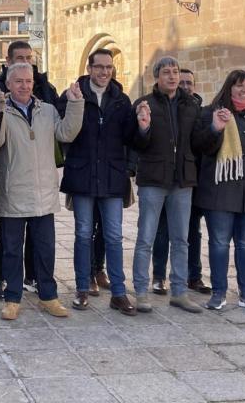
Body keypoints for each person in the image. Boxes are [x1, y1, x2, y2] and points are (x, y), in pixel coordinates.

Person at [0, 63, 84, 320]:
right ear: (8, 84)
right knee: (12, 249)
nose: (24, 85)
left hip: (44, 193)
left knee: (45, 248)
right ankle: (12, 299)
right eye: (18, 81)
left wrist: (75, 104)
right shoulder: (3, 110)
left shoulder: (49, 110)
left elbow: (66, 133)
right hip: (15, 191)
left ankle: (48, 296)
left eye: (28, 81)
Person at [58, 49, 141, 315]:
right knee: (83, 233)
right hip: (83, 174)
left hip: (113, 176)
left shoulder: (121, 99)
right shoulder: (73, 94)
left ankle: (118, 292)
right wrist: (73, 104)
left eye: (109, 67)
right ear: (89, 68)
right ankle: (82, 288)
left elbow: (131, 140)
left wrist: (142, 126)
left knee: (114, 235)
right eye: (99, 67)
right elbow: (64, 134)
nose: (104, 72)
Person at [0, 41, 60, 299]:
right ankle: (1, 277)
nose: (25, 61)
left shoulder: (44, 85)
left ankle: (34, 277)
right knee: (9, 233)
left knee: (39, 234)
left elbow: (58, 117)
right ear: (8, 61)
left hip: (38, 168)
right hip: (12, 165)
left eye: (29, 57)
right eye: (19, 57)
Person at [192, 70, 245, 313]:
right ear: (229, 88)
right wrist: (215, 129)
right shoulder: (211, 112)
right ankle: (218, 292)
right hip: (219, 192)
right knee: (219, 243)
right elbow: (200, 147)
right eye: (240, 87)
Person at [131, 57, 203, 314]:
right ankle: (141, 292)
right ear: (156, 77)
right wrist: (143, 128)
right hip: (153, 179)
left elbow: (199, 142)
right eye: (166, 72)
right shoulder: (144, 104)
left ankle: (180, 292)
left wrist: (216, 129)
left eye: (175, 72)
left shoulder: (192, 105)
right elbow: (135, 144)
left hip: (182, 179)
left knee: (181, 239)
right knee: (146, 238)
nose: (172, 77)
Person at [178, 68, 211, 294]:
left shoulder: (203, 112)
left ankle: (193, 276)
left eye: (189, 83)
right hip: (173, 179)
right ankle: (160, 276)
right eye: (181, 83)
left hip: (198, 179)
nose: (185, 86)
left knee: (193, 232)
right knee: (163, 231)